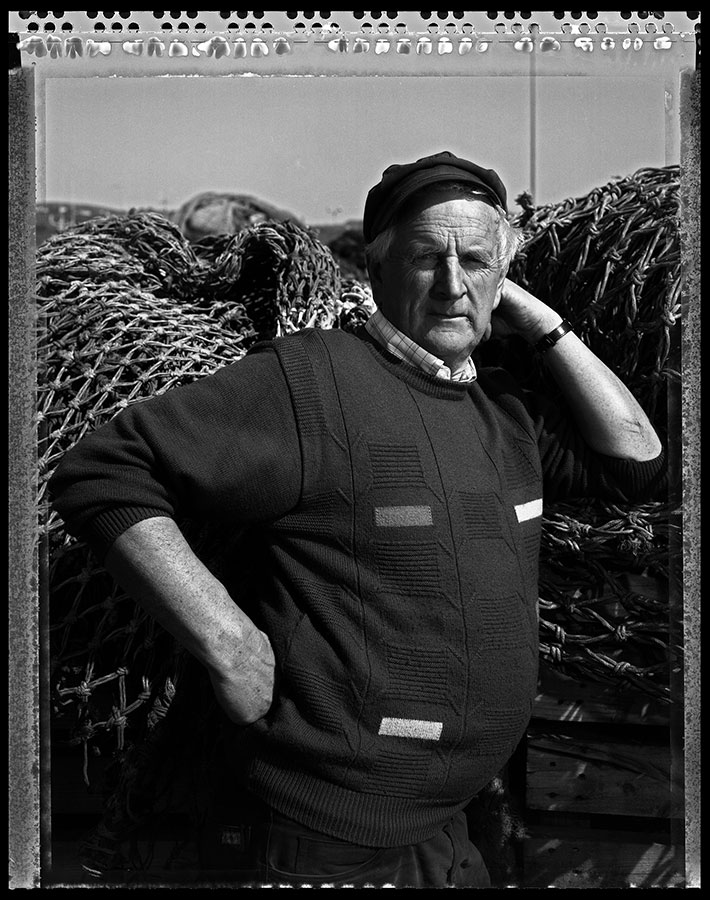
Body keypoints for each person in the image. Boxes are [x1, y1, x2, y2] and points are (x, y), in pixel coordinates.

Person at [48, 151, 666, 888]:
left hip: (446, 825)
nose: (452, 284)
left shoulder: (504, 411)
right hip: (323, 836)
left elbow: (637, 460)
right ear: (376, 268)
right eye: (425, 258)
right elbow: (103, 472)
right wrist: (228, 641)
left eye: (475, 261)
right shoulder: (313, 384)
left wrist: (542, 324)